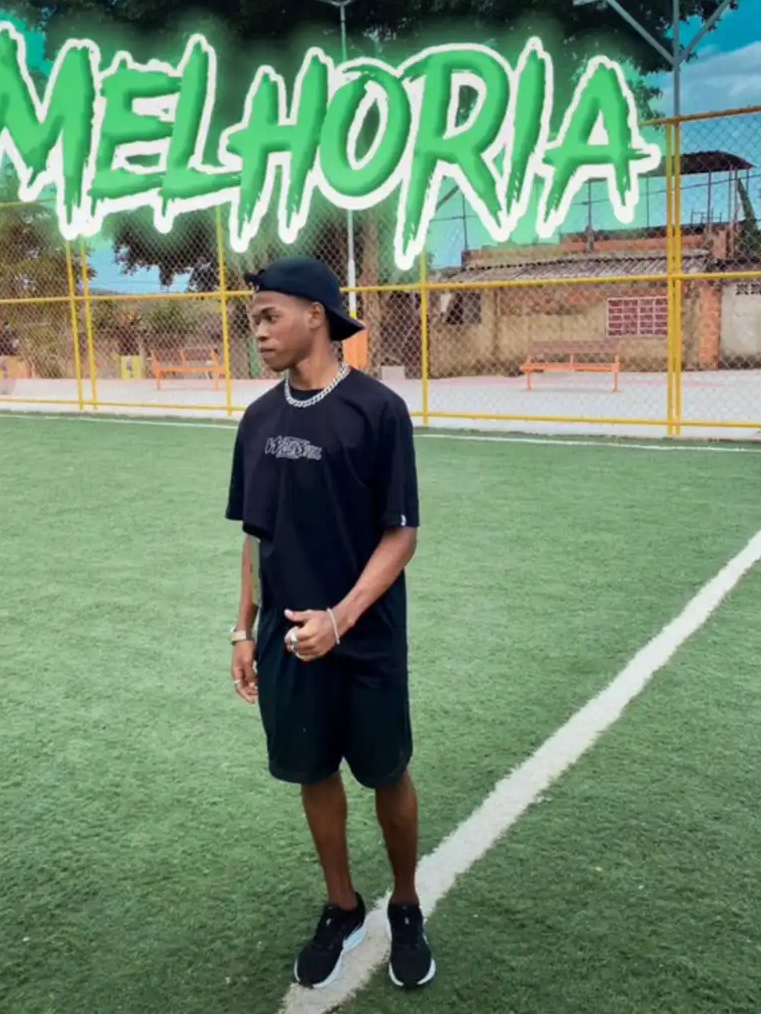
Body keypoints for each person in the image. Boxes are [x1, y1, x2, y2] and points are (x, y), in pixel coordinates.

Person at [225, 256, 434, 992]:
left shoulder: (377, 412)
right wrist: (242, 629)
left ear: (316, 315)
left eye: (269, 316)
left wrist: (340, 620)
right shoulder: (258, 420)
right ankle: (343, 906)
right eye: (253, 320)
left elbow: (401, 535)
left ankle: (405, 904)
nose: (258, 332)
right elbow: (255, 536)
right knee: (313, 772)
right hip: (288, 645)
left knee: (386, 773)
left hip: (364, 639)